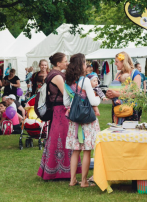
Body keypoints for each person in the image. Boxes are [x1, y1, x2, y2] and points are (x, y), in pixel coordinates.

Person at [37, 52, 81, 180]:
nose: (67, 63)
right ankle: (61, 170)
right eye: (65, 61)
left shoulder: (54, 74)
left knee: (59, 138)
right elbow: (67, 94)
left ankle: (60, 169)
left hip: (59, 110)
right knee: (61, 138)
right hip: (60, 111)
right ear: (58, 63)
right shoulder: (57, 76)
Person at [64, 53, 100, 187]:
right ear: (80, 65)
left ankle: (72, 180)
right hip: (87, 119)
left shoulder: (67, 82)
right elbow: (92, 100)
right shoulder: (84, 81)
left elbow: (65, 102)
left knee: (75, 150)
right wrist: (99, 99)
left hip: (74, 120)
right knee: (87, 150)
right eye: (85, 63)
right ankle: (84, 181)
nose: (86, 65)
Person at [106, 52, 142, 125]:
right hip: (117, 111)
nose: (115, 64)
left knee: (130, 135)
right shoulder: (118, 74)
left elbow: (136, 93)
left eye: (117, 61)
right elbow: (114, 89)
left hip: (130, 111)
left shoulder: (135, 73)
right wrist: (109, 94)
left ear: (123, 62)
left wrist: (116, 94)